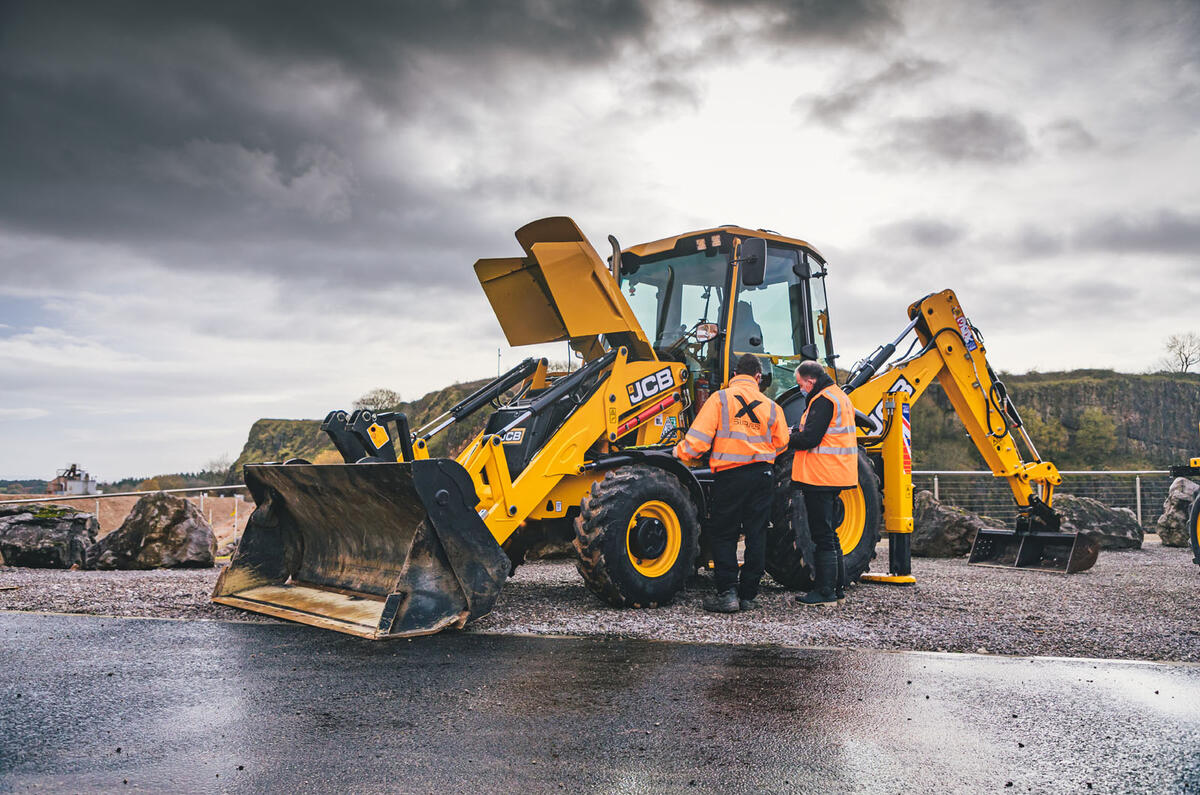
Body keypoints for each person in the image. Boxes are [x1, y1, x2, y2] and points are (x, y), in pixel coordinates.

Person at [674, 354, 789, 613]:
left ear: (735, 374)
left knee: (724, 533)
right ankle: (748, 595)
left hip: (730, 476)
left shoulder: (720, 399)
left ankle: (727, 593)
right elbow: (782, 443)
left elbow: (698, 440)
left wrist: (679, 453)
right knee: (757, 534)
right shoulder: (772, 406)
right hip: (762, 475)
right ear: (758, 377)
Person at [790, 359, 859, 607]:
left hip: (821, 476)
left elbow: (811, 438)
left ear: (811, 381)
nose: (801, 389)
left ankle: (825, 591)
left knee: (822, 535)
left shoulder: (823, 400)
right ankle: (837, 588)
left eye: (801, 384)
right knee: (830, 533)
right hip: (835, 474)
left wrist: (787, 438)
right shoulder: (838, 396)